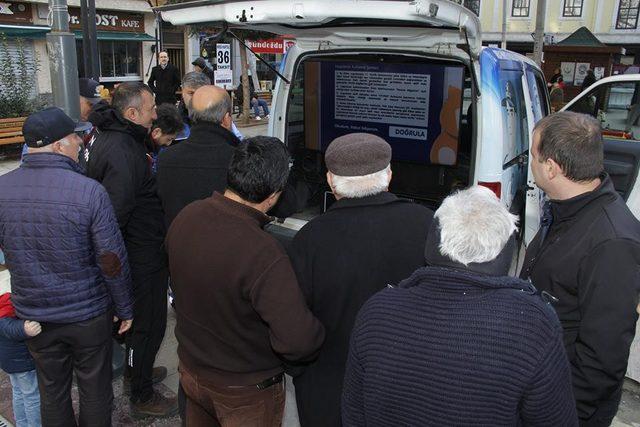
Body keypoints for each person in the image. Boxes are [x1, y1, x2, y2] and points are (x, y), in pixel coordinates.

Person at [342, 186, 578, 426]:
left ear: (433, 243)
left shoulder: (376, 312)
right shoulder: (533, 327)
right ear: (505, 252)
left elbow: (353, 414)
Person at [165, 136, 325, 426]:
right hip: (243, 394)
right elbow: (298, 340)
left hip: (191, 373)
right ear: (275, 194)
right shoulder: (263, 251)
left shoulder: (187, 216)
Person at [289, 133, 434, 427]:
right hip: (410, 386)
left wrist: (299, 369)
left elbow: (295, 321)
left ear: (331, 180)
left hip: (330, 390)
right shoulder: (429, 224)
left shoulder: (310, 238)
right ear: (389, 175)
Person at [0, 107, 134, 426]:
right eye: (75, 137)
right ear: (59, 145)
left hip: (35, 315)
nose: (80, 143)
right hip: (87, 315)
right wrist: (125, 306)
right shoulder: (89, 191)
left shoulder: (3, 190)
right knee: (95, 390)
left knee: (52, 392)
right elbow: (111, 259)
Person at [520, 111, 640, 427]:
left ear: (551, 168)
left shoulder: (612, 243)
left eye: (533, 154)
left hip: (567, 406)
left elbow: (603, 359)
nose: (529, 161)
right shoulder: (565, 207)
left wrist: (559, 412)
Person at [86, 82, 177, 418]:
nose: (156, 114)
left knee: (142, 326)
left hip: (140, 249)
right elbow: (115, 215)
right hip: (140, 256)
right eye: (152, 108)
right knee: (146, 325)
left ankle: (136, 372)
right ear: (132, 113)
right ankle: (141, 394)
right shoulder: (123, 150)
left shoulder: (113, 136)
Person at [157, 85, 240, 226]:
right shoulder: (239, 159)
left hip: (178, 242)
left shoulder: (166, 158)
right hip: (229, 244)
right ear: (226, 119)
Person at [0, 268, 42, 427]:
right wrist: (24, 328)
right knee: (32, 396)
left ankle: (22, 424)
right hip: (21, 359)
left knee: (18, 392)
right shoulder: (6, 295)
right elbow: (5, 325)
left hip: (9, 359)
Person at [148, 103, 185, 173]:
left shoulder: (153, 145)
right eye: (169, 139)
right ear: (156, 132)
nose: (168, 144)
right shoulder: (142, 151)